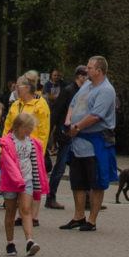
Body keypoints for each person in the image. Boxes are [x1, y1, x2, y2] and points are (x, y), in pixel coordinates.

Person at [61, 54, 117, 232]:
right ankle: (78, 216)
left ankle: (91, 220)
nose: (86, 70)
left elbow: (95, 116)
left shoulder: (106, 90)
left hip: (95, 142)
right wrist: (69, 122)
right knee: (77, 181)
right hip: (78, 140)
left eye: (90, 68)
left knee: (96, 182)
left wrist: (76, 127)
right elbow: (73, 103)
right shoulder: (86, 84)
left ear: (99, 71)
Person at [0, 109, 47, 255]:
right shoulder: (7, 142)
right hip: (11, 181)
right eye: (28, 128)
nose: (30, 131)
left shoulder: (32, 142)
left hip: (27, 179)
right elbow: (7, 162)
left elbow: (38, 162)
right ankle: (10, 242)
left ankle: (30, 241)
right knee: (10, 212)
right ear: (18, 127)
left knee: (26, 209)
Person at [3, 75, 51, 219]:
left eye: (18, 86)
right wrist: (3, 148)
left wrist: (40, 152)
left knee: (34, 182)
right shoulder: (15, 104)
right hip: (14, 150)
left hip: (32, 150)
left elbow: (44, 130)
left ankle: (33, 216)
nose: (15, 89)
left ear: (28, 88)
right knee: (18, 182)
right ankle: (22, 214)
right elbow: (7, 127)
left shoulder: (40, 104)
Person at [43, 65, 87, 210]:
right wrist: (51, 133)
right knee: (60, 167)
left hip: (78, 133)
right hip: (65, 134)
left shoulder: (84, 92)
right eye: (86, 76)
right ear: (80, 77)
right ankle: (50, 197)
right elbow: (56, 112)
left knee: (83, 166)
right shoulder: (68, 91)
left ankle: (86, 199)